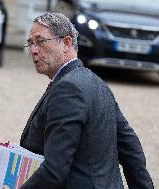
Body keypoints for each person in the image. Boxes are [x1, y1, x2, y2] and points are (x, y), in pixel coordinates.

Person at [20, 13, 153, 189]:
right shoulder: (97, 83)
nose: (34, 50)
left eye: (40, 41)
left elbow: (54, 171)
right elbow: (131, 149)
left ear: (66, 43)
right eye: (30, 43)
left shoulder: (68, 89)